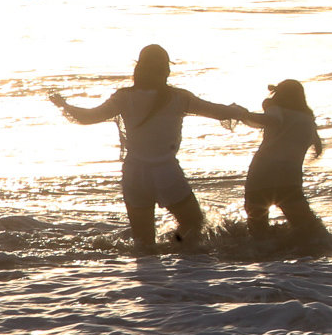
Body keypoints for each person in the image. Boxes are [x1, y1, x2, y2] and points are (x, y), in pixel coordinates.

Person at [49, 45, 245, 252]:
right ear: (166, 71)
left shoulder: (123, 97)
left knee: (143, 245)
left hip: (134, 175)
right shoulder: (178, 98)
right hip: (167, 172)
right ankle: (178, 252)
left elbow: (88, 117)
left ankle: (148, 279)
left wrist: (64, 105)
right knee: (194, 223)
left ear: (138, 69)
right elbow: (217, 111)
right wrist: (242, 113)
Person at [239, 79, 330, 242]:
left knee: (257, 235)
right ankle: (311, 261)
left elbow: (274, 120)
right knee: (311, 232)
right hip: (289, 180)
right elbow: (316, 145)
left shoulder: (274, 107)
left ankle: (259, 259)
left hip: (260, 176)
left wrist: (244, 115)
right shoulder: (307, 118)